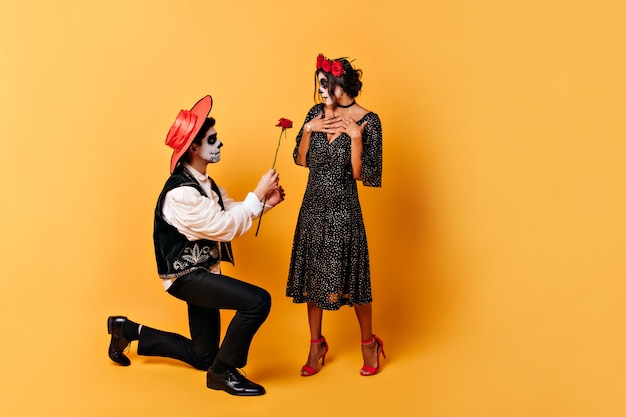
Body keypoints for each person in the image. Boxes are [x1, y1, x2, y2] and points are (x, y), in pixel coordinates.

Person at [107, 95, 285, 396]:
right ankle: (223, 373)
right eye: (212, 140)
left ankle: (127, 330)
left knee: (203, 356)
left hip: (204, 272)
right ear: (194, 148)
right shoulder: (181, 195)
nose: (219, 145)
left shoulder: (205, 183)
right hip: (185, 277)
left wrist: (264, 203)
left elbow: (229, 212)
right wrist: (257, 193)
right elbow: (224, 227)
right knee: (257, 301)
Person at [286, 54, 385, 377]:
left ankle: (369, 343)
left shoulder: (369, 120)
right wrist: (307, 129)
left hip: (344, 208)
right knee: (314, 277)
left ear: (340, 85)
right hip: (312, 206)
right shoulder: (315, 114)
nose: (320, 90)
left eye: (324, 84)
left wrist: (356, 138)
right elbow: (301, 161)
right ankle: (316, 344)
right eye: (318, 84)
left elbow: (362, 174)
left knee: (355, 280)